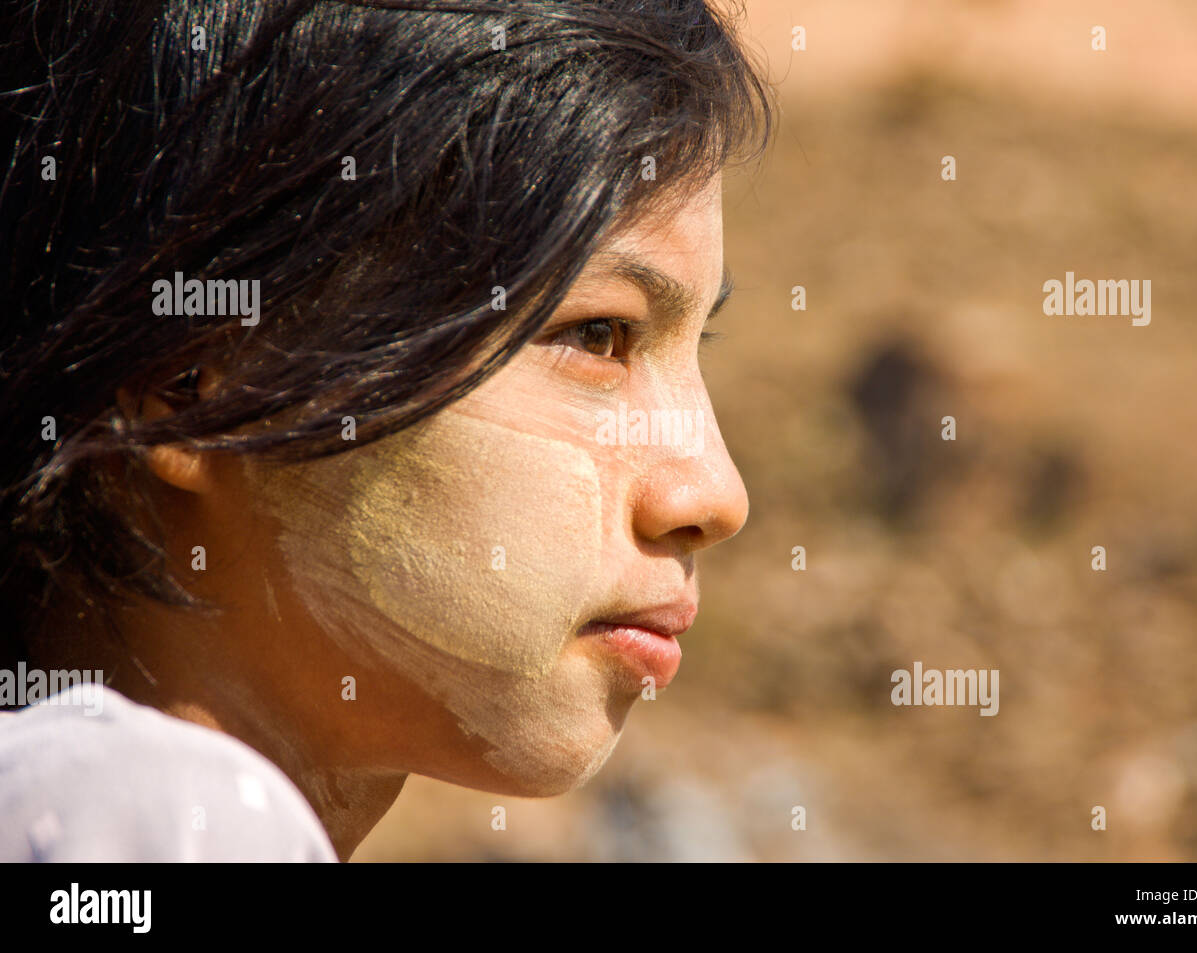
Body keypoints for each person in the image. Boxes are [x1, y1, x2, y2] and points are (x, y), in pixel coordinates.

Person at [0, 0, 773, 861]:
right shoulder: (147, 819)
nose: (715, 492)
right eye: (597, 335)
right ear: (187, 383)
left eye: (693, 344)